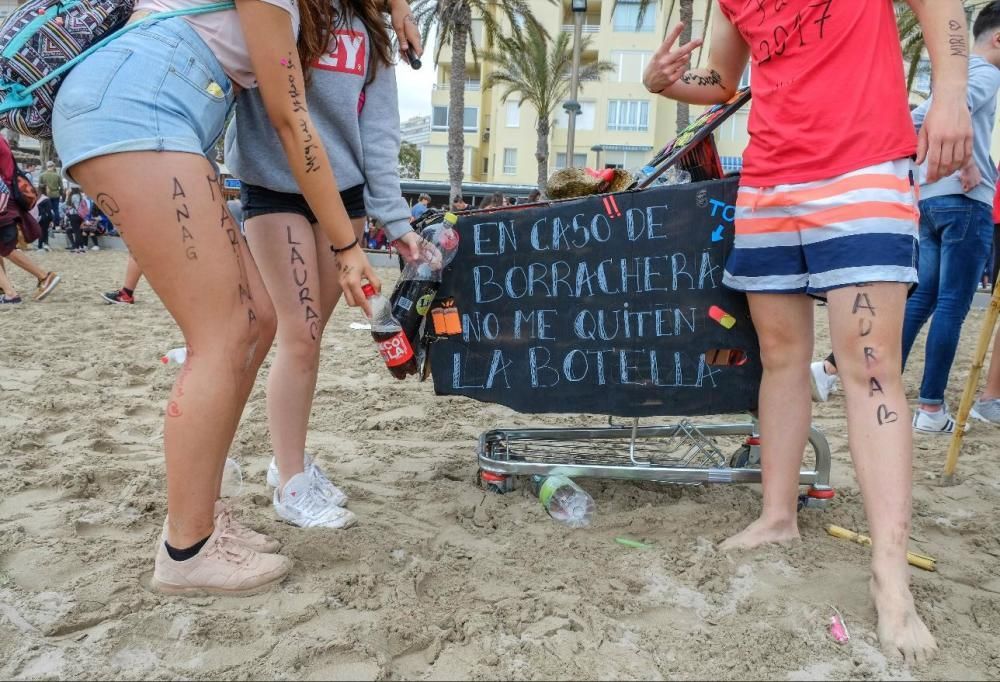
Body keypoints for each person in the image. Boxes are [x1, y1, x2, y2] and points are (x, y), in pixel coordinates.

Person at [49, 0, 417, 595]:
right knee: (226, 333)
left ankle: (197, 521)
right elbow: (289, 120)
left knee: (255, 321)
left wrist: (394, 8)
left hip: (153, 108)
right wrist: (349, 247)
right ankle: (187, 549)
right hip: (142, 109)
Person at [644, 0, 972, 663]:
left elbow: (943, 7)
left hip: (862, 165)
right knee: (781, 356)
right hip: (768, 179)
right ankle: (777, 517)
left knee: (872, 364)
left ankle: (890, 575)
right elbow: (723, 80)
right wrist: (664, 84)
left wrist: (952, 94)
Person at [226, 0, 426, 530]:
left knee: (309, 340)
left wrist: (397, 221)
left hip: (345, 202)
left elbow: (380, 132)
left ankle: (286, 461)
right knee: (299, 333)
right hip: (273, 187)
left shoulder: (373, 27)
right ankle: (292, 482)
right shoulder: (277, 9)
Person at [810, 8, 1000, 433]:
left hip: (931, 203)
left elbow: (917, 120)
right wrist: (966, 160)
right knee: (953, 304)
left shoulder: (955, 75)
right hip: (965, 204)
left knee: (923, 299)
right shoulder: (985, 73)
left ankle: (851, 373)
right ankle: (931, 408)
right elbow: (951, 115)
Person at [0, 136, 61, 304]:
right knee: (3, 245)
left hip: (3, 198)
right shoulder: (2, 139)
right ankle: (6, 290)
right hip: (10, 194)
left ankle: (44, 277)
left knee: (6, 247)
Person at [38, 161, 62, 225]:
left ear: (47, 166)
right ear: (53, 166)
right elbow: (61, 186)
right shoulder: (57, 175)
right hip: (56, 194)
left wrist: (45, 186)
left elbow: (39, 185)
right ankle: (56, 224)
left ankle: (49, 223)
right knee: (56, 209)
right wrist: (60, 193)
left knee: (47, 210)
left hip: (46, 194)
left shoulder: (42, 175)